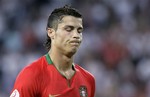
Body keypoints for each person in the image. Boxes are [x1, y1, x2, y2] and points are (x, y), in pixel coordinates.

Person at [10, 5, 95, 97]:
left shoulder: (88, 80)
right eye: (68, 29)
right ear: (51, 32)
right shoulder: (32, 75)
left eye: (79, 31)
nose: (76, 35)